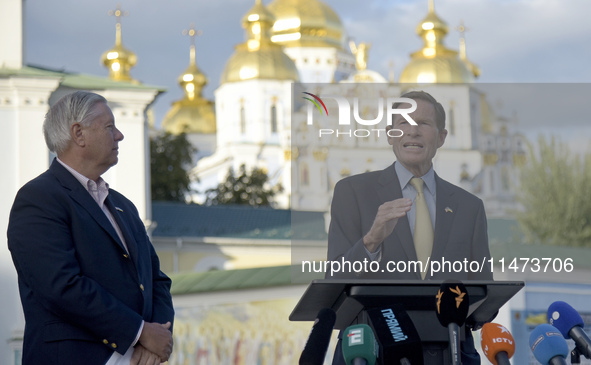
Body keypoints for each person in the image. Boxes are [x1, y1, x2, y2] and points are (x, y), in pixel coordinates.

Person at [7, 91, 174, 365]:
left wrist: (156, 339)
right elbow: (61, 286)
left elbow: (156, 281)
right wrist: (139, 332)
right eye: (109, 127)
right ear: (79, 134)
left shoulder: (123, 206)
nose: (119, 135)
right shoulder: (39, 198)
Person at [326, 91, 492, 364]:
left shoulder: (469, 206)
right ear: (390, 134)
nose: (412, 131)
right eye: (403, 123)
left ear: (441, 137)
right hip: (371, 351)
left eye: (424, 123)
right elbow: (335, 280)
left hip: (449, 352)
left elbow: (484, 291)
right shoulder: (352, 192)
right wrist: (371, 241)